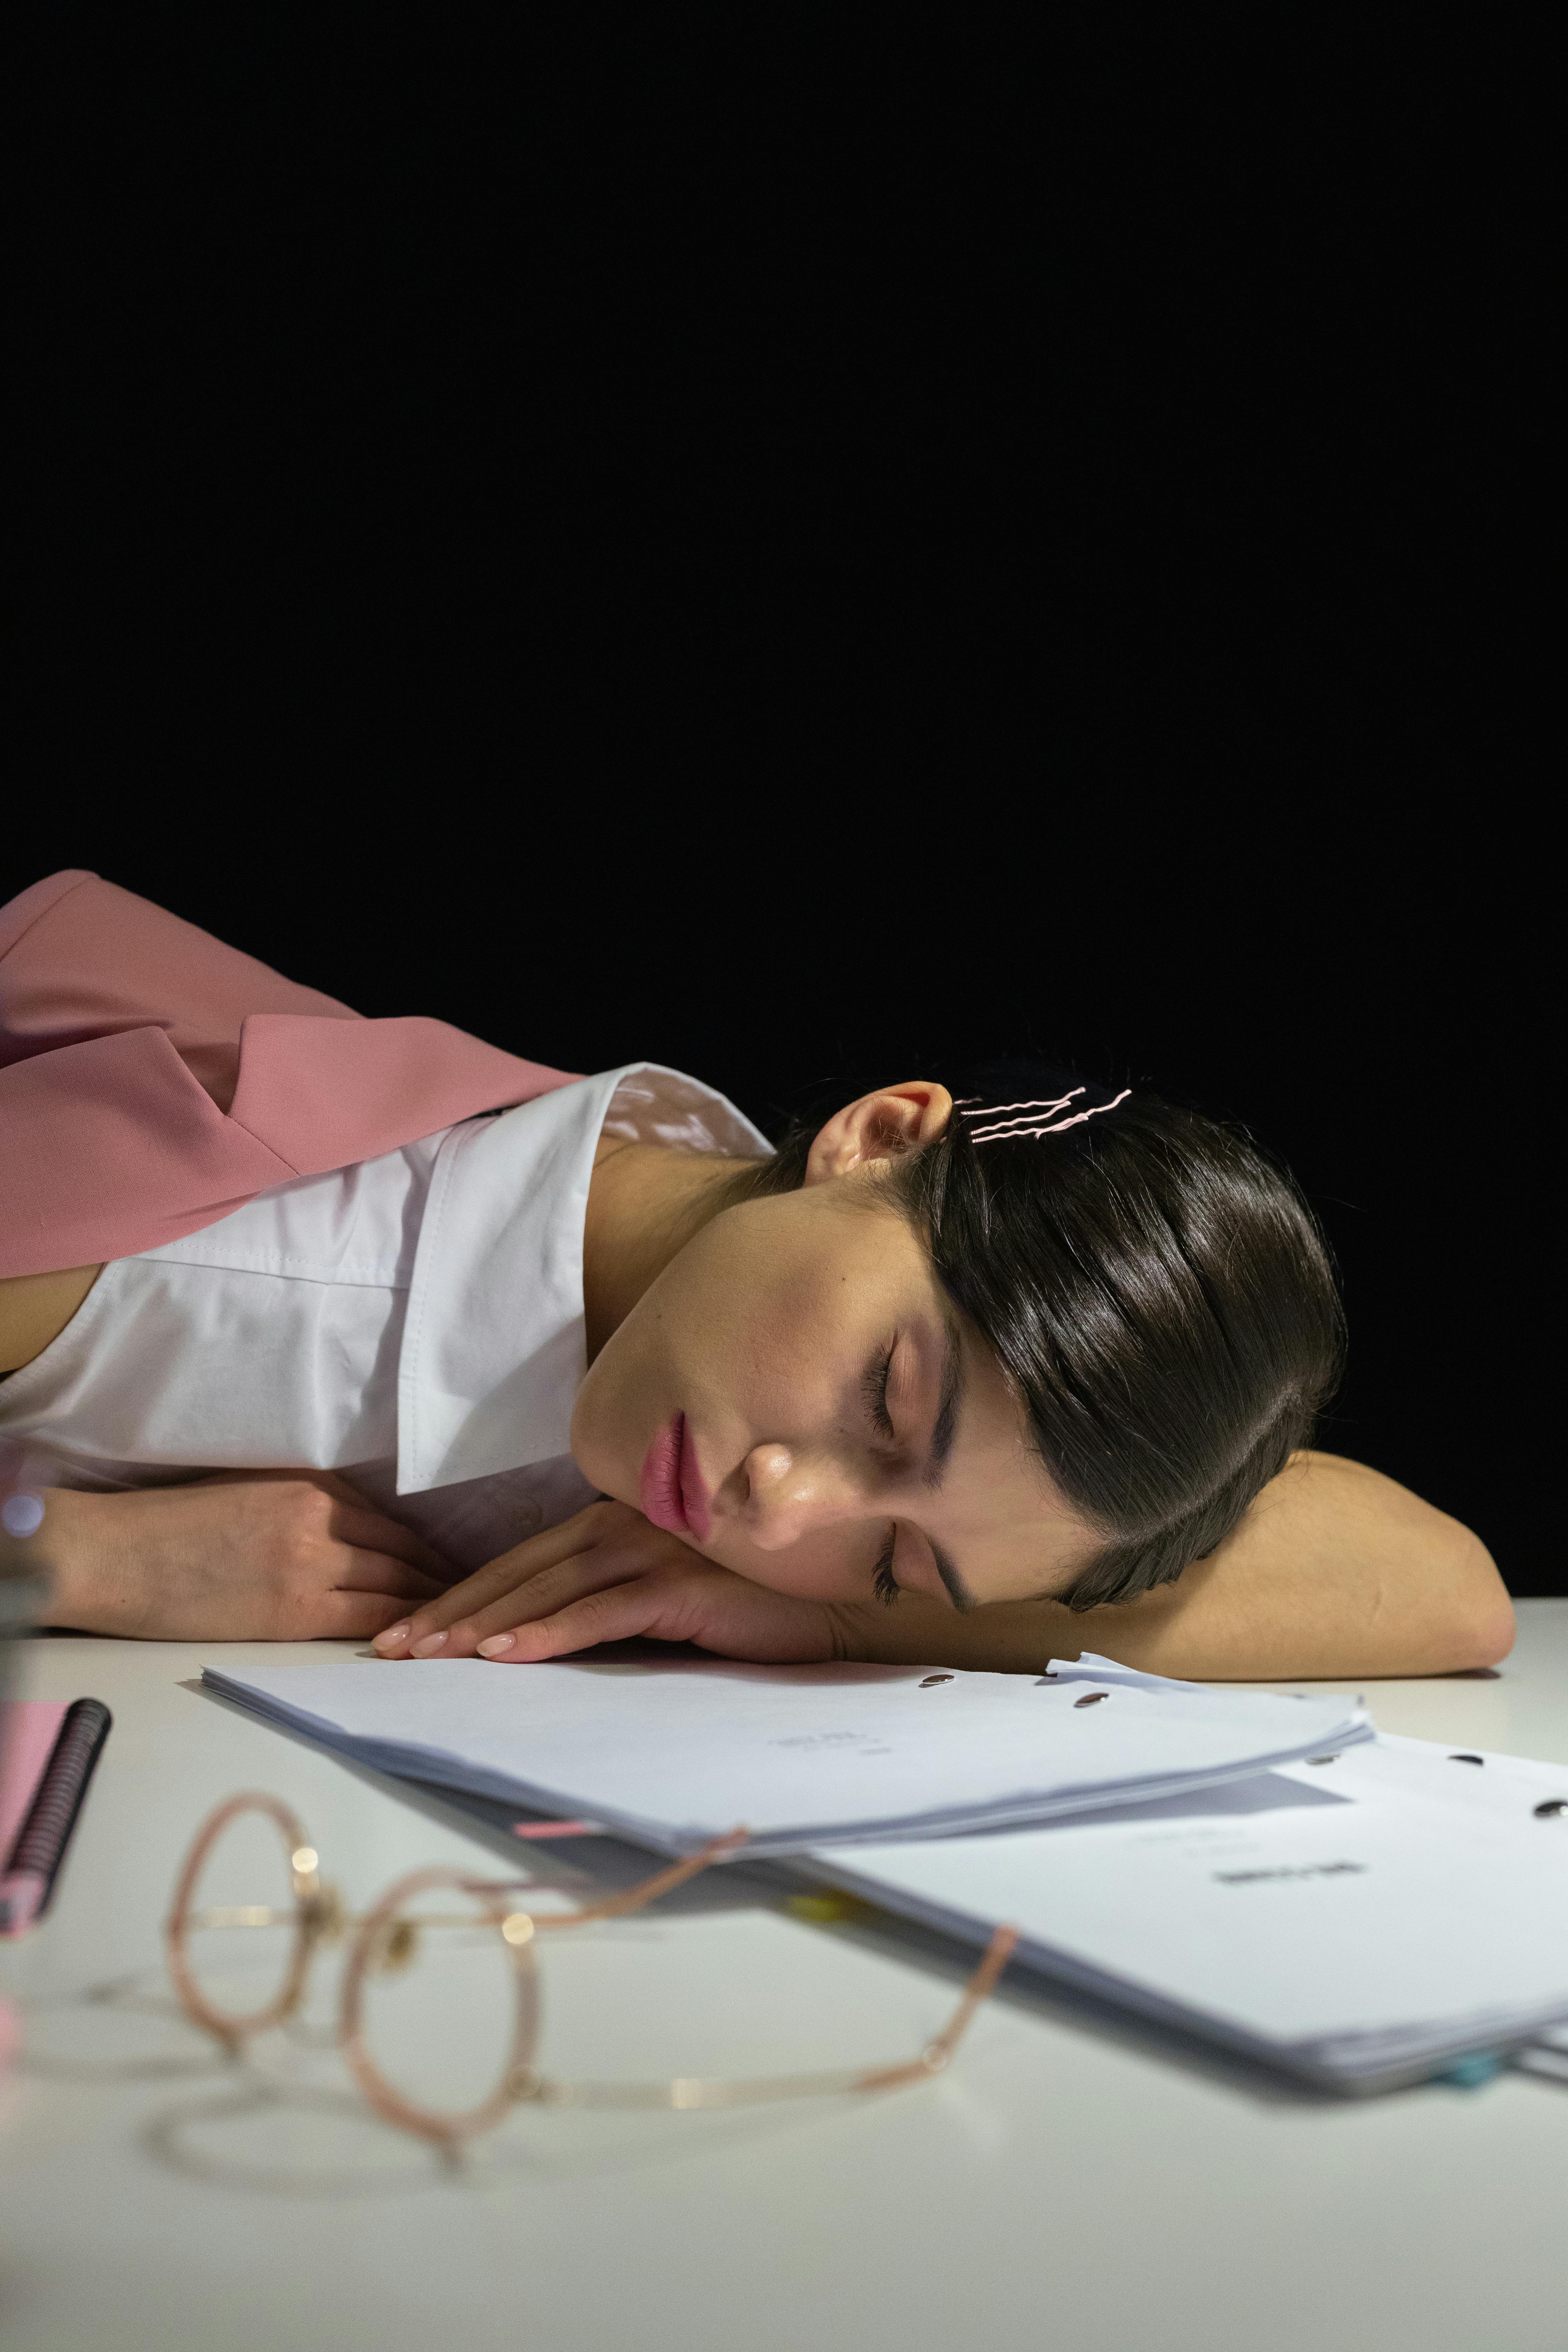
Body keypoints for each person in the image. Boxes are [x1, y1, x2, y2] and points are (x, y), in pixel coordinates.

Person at [0, 871, 1511, 1680]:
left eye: (893, 1553)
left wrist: (854, 1620)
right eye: (883, 1400)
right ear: (873, 1136)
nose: (778, 1514)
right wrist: (53, 1558)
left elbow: (1441, 1594)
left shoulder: (669, 1243)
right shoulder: (217, 1264)